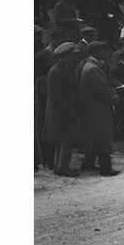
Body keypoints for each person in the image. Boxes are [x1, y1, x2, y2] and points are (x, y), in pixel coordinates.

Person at [78, 41, 121, 176]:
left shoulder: (91, 66)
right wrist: (114, 98)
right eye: (102, 50)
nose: (105, 53)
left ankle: (88, 163)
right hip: (98, 108)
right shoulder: (93, 68)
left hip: (93, 108)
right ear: (96, 52)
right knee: (103, 137)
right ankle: (105, 167)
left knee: (96, 137)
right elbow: (102, 89)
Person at [44, 42, 82, 177]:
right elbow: (56, 96)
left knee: (62, 140)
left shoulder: (64, 68)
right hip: (60, 111)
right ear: (65, 56)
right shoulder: (57, 71)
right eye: (72, 56)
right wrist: (68, 110)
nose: (74, 58)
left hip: (63, 110)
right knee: (66, 140)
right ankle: (62, 168)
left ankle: (59, 166)